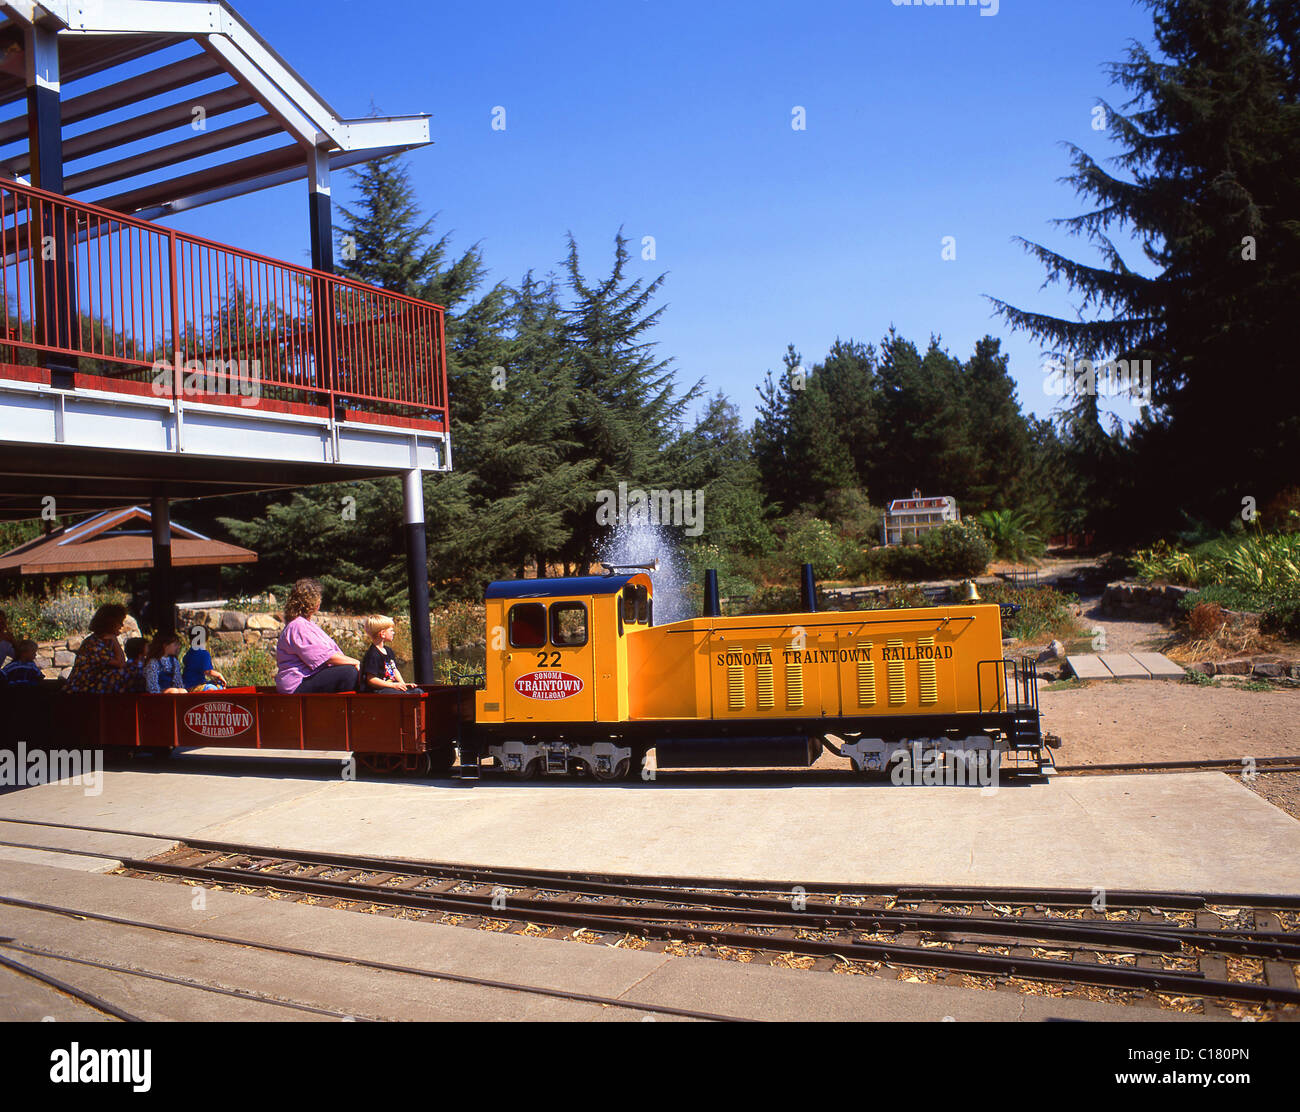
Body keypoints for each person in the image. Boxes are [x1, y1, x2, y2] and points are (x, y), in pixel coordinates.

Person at [275, 578, 359, 694]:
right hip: (298, 684)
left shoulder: (305, 624)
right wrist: (356, 662)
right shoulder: (298, 626)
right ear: (315, 603)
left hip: (308, 678)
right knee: (349, 672)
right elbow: (325, 657)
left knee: (356, 672)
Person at [63, 604, 137, 694]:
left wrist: (114, 640)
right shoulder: (93, 644)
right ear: (110, 622)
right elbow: (120, 664)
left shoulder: (107, 641)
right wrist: (114, 640)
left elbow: (122, 663)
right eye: (119, 622)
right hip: (82, 690)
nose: (121, 625)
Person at [359, 616, 417, 693]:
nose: (393, 632)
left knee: (417, 691)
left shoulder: (388, 651)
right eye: (391, 630)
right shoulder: (373, 654)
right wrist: (393, 685)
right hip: (379, 691)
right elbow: (371, 680)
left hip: (391, 687)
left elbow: (394, 670)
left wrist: (403, 684)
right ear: (382, 633)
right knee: (403, 695)